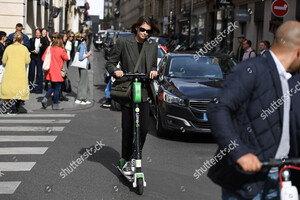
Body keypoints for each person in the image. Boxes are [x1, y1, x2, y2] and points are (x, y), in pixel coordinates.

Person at [206, 21, 300, 200]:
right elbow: (218, 108)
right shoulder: (252, 70)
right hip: (249, 182)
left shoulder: (294, 79)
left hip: (285, 178)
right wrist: (240, 153)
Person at [105, 16, 160, 175]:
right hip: (128, 90)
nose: (145, 33)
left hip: (143, 91)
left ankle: (136, 157)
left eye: (148, 31)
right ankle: (125, 159)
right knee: (128, 129)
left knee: (143, 128)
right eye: (142, 29)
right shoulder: (123, 42)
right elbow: (110, 63)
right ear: (136, 28)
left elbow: (154, 66)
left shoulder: (152, 45)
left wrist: (154, 71)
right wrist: (115, 71)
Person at [0, 32, 30, 114]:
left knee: (11, 91)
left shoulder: (9, 48)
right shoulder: (24, 49)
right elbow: (27, 61)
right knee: (19, 90)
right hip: (20, 72)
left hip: (10, 72)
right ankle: (17, 107)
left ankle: (13, 110)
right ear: (21, 39)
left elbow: (4, 60)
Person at [41, 37, 68, 110]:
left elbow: (43, 58)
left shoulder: (49, 48)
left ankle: (45, 99)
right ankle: (55, 104)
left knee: (52, 87)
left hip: (50, 71)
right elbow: (66, 58)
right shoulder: (61, 50)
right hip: (58, 72)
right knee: (57, 89)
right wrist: (64, 49)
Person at [74, 34, 92, 105]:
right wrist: (88, 54)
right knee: (83, 82)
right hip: (83, 66)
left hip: (84, 65)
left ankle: (85, 98)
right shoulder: (82, 46)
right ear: (86, 39)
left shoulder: (82, 45)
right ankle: (80, 98)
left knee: (86, 81)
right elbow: (81, 57)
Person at [29, 28, 47, 93]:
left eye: (39, 33)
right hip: (33, 57)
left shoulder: (43, 40)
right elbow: (29, 47)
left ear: (41, 33)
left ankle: (38, 89)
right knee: (31, 73)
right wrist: (32, 51)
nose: (38, 34)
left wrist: (41, 46)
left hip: (40, 57)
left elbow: (45, 49)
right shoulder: (32, 39)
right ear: (35, 33)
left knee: (39, 73)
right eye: (36, 33)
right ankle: (31, 88)